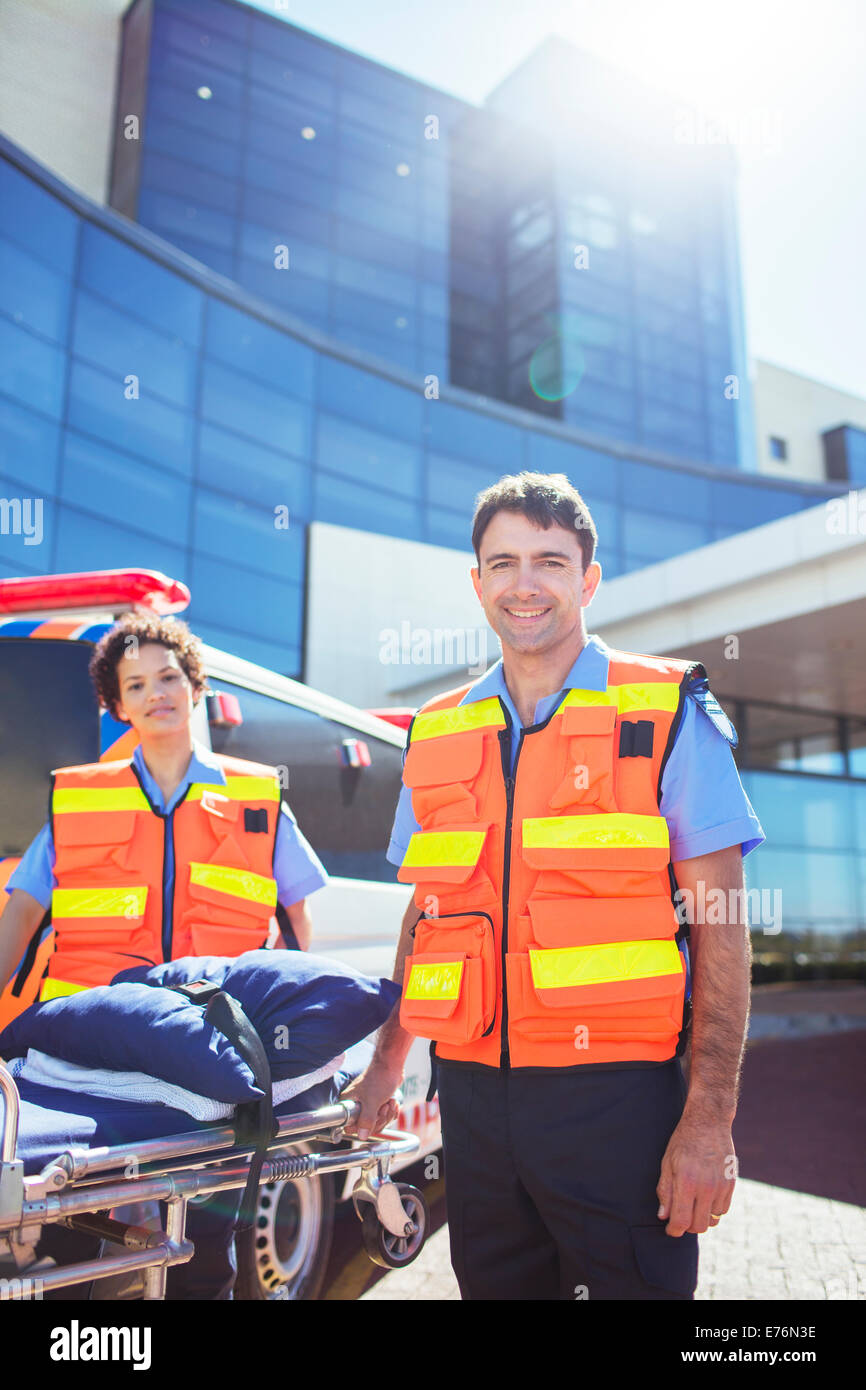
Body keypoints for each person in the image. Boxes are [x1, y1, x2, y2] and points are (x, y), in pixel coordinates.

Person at [343, 471, 763, 1301]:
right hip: (471, 1098)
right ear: (477, 582)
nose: (524, 584)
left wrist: (710, 1120)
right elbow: (427, 910)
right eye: (502, 563)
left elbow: (722, 923)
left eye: (549, 561)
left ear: (588, 579)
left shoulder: (664, 707)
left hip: (616, 1102)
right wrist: (388, 1059)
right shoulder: (435, 732)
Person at [0, 610, 329, 1299]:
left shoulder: (257, 799)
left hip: (214, 1060)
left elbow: (300, 935)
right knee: (71, 1242)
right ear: (116, 704)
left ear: (194, 686)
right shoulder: (78, 800)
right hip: (90, 1065)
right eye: (137, 683)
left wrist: (305, 1052)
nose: (157, 693)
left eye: (170, 676)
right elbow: (19, 919)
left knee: (207, 1257)